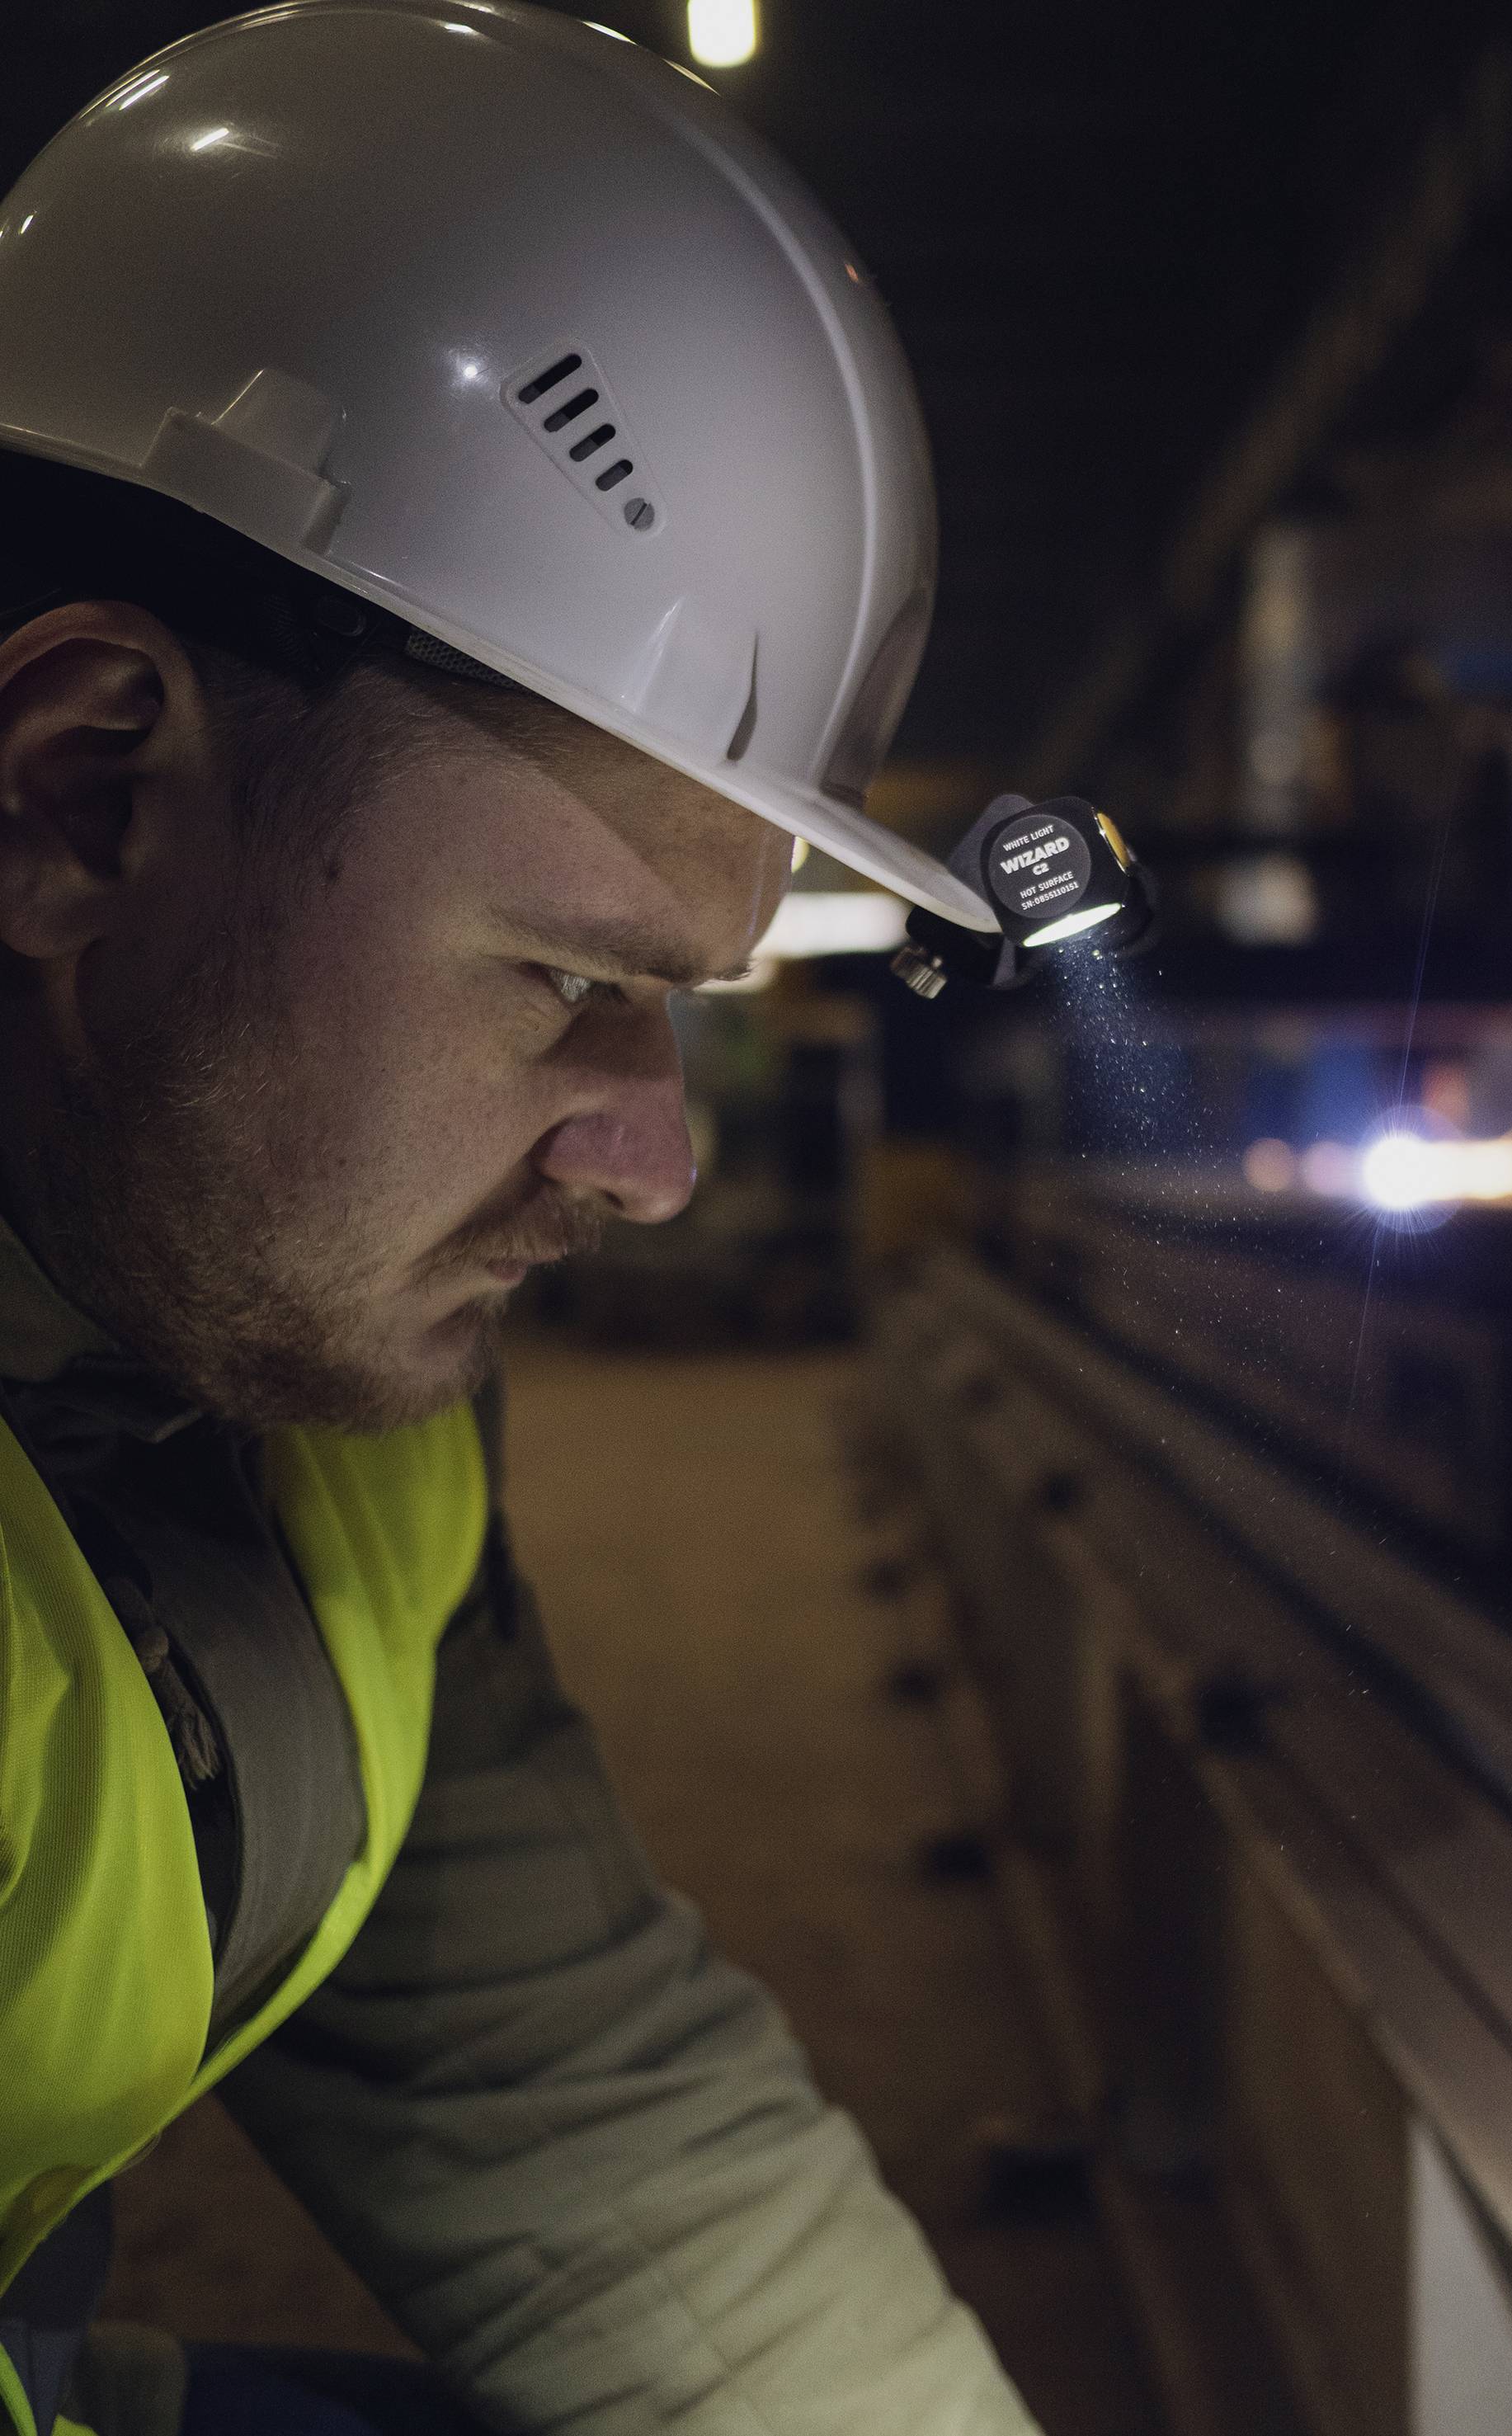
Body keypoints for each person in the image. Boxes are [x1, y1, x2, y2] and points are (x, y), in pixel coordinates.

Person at [0, 5, 1029, 2432]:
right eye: (570, 979)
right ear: (83, 796)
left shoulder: (281, 1357)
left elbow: (568, 2090)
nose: (653, 1157)